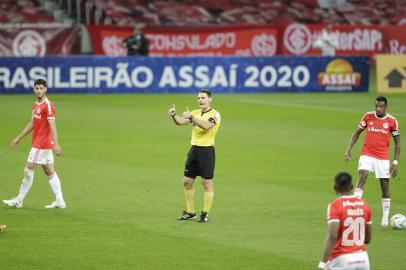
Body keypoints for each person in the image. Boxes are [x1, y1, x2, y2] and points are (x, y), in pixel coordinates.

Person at [3, 79, 67, 209]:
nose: (39, 90)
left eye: (41, 88)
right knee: (50, 171)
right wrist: (19, 137)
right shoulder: (36, 105)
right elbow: (32, 123)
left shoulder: (48, 105)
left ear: (45, 89)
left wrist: (56, 144)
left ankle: (19, 199)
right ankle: (60, 200)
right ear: (34, 89)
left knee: (28, 169)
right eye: (36, 88)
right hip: (41, 144)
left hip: (41, 145)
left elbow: (52, 125)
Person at [344, 96, 400, 227]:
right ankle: (354, 209)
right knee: (363, 174)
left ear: (386, 107)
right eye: (376, 106)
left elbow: (397, 144)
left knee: (384, 185)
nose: (378, 109)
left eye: (381, 106)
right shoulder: (368, 116)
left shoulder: (392, 121)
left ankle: (385, 216)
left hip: (382, 157)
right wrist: (349, 150)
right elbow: (357, 132)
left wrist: (395, 162)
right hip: (367, 153)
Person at [168, 89, 221, 223]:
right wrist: (174, 115)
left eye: (203, 98)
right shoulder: (195, 113)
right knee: (187, 181)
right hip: (194, 150)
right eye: (198, 98)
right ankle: (190, 212)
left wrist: (191, 117)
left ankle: (205, 213)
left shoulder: (215, 114)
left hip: (207, 151)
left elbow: (206, 126)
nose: (200, 100)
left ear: (210, 99)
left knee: (207, 183)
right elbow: (180, 122)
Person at [318, 172, 372, 270]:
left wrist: (322, 263)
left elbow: (332, 237)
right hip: (363, 259)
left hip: (341, 259)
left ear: (335, 187)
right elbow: (368, 239)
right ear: (351, 186)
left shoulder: (335, 206)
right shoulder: (364, 205)